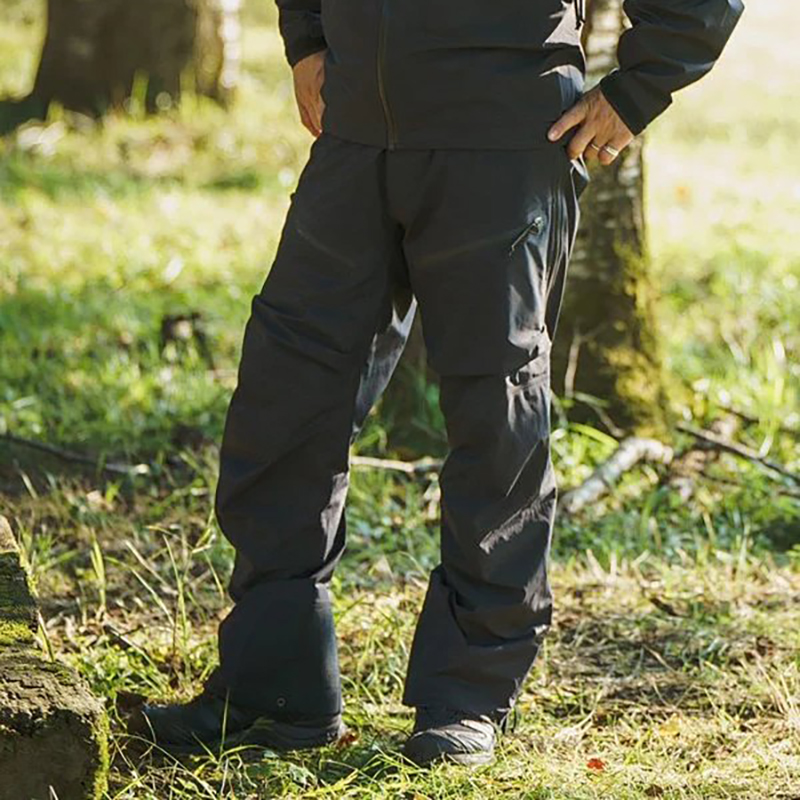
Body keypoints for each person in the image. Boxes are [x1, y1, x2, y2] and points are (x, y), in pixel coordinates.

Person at [131, 0, 743, 766]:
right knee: (283, 398)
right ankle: (273, 685)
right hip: (356, 136)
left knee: (495, 419)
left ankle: (467, 697)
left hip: (505, 140)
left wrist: (637, 90)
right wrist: (308, 36)